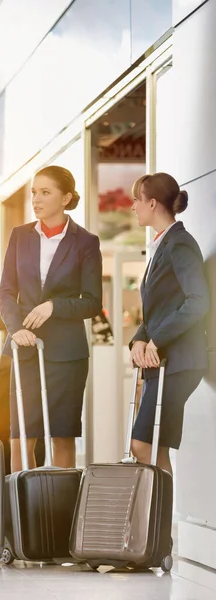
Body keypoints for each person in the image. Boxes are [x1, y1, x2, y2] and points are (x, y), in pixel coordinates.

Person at [0, 165, 103, 472]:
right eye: (34, 192)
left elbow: (93, 302)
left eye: (45, 192)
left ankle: (60, 514)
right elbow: (6, 291)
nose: (36, 199)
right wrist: (15, 329)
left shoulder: (86, 242)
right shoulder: (19, 237)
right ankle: (24, 511)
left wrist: (54, 306)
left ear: (66, 197)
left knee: (62, 436)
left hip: (67, 355)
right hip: (25, 350)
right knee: (21, 438)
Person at [130, 172, 209, 475]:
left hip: (177, 362)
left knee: (143, 445)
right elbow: (159, 308)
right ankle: (159, 521)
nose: (133, 207)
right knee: (154, 447)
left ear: (152, 203)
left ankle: (159, 518)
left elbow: (198, 301)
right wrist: (140, 338)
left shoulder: (180, 243)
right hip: (163, 360)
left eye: (137, 200)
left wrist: (156, 340)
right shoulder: (163, 244)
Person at [0, 309, 45, 475]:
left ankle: (37, 481)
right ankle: (7, 479)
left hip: (37, 357)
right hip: (10, 359)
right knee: (3, 425)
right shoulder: (9, 293)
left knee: (35, 427)